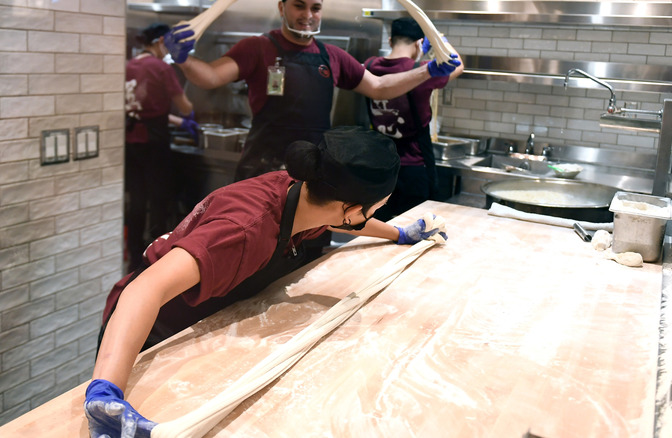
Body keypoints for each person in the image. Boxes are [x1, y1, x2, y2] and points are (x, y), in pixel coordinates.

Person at [84, 127, 447, 437]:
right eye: (375, 209)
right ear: (353, 208)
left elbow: (338, 219)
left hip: (202, 319)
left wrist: (398, 233)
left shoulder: (306, 191)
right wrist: (106, 392)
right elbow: (145, 288)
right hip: (150, 331)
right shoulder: (245, 230)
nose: (372, 215)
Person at [162, 0, 461, 182]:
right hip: (262, 168)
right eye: (299, 5)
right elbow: (212, 77)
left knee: (307, 255)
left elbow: (379, 87)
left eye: (315, 7)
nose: (308, 14)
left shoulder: (331, 55)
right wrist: (184, 60)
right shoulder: (257, 47)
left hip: (314, 172)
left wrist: (428, 71)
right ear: (282, 7)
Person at [364, 17, 464, 221]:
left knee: (379, 230)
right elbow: (458, 65)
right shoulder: (423, 71)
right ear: (420, 43)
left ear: (390, 41)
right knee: (415, 228)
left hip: (379, 167)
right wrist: (440, 40)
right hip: (414, 168)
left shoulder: (369, 65)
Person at [125, 23, 199, 272]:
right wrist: (187, 115)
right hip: (154, 143)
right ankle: (153, 258)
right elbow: (186, 105)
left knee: (136, 201)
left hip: (130, 141)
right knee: (159, 199)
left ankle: (134, 257)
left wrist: (178, 121)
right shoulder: (160, 67)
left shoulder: (128, 65)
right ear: (159, 42)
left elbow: (140, 109)